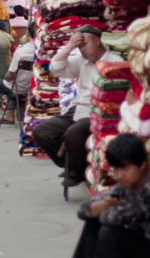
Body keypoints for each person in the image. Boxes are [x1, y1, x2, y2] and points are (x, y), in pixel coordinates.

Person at [32, 25, 122, 188]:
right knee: (42, 132)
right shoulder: (82, 60)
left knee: (73, 134)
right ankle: (72, 165)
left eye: (84, 44)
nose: (82, 50)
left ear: (97, 40)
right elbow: (55, 69)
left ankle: (76, 171)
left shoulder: (115, 62)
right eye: (79, 47)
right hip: (79, 109)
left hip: (100, 112)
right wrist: (70, 46)